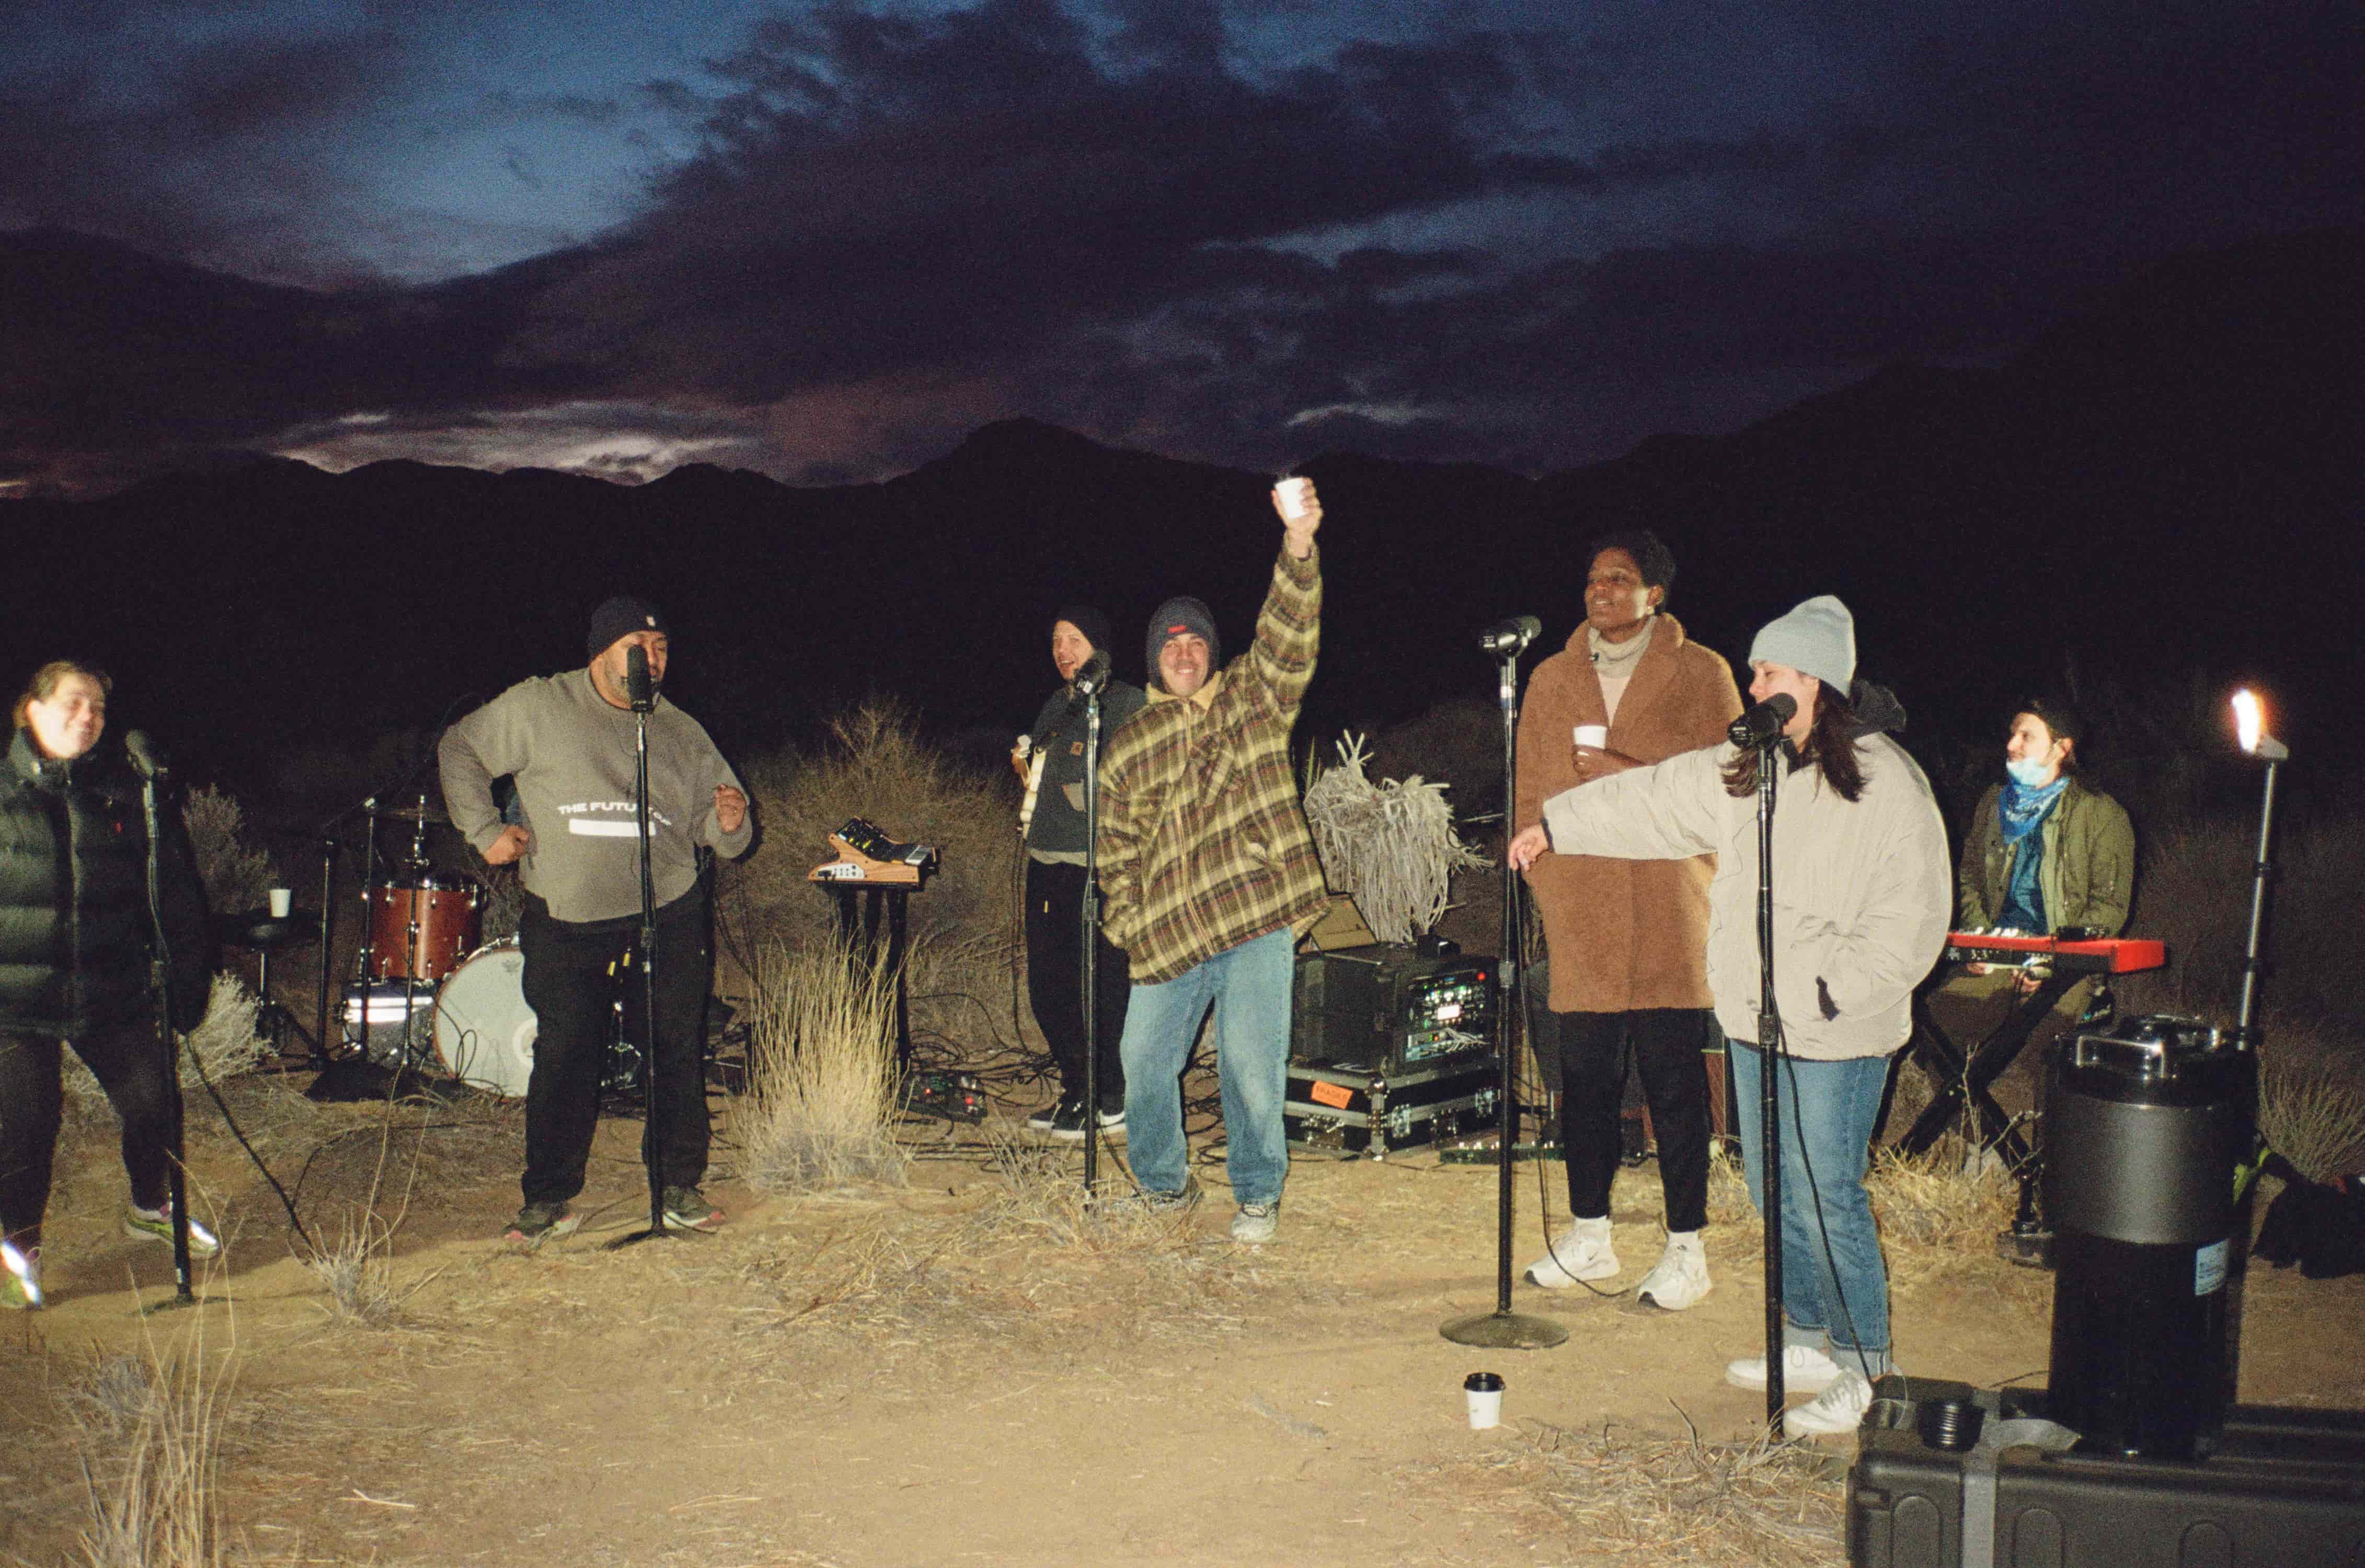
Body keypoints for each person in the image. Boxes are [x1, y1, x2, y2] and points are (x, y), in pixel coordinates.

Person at [1509, 596, 1951, 1436]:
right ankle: (1808, 1339)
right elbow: (1655, 798)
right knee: (1771, 1187)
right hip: (1757, 1022)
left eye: (1768, 672)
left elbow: (1916, 914)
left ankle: (1868, 1368)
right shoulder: (1754, 766)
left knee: (1826, 1196)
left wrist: (1832, 990)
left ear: (1813, 681)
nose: (1753, 686)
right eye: (1753, 672)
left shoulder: (1888, 781)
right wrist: (1555, 824)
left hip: (1835, 1031)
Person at [440, 597, 753, 1246]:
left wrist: (730, 821)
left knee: (674, 1048)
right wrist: (485, 829)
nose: (652, 659)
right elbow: (460, 748)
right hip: (569, 917)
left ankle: (677, 1187)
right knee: (566, 1053)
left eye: (661, 647)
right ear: (601, 652)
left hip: (667, 909)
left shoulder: (680, 731)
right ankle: (548, 1198)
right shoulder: (541, 705)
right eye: (637, 645)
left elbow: (725, 832)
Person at [1515, 531, 1741, 1309]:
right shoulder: (1550, 679)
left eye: (1619, 578)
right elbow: (1530, 794)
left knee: (1676, 1084)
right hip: (1583, 908)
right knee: (1584, 1082)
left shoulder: (1703, 673)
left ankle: (1687, 1249)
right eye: (1592, 578)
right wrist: (1547, 879)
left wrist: (1627, 774)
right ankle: (1591, 1234)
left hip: (1670, 906)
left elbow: (1730, 784)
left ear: (1655, 594)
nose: (1601, 589)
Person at [1097, 479, 1327, 1244]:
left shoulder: (1252, 699)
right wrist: (1131, 924)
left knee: (1251, 1067)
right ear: (1154, 660)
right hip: (1169, 932)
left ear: (1212, 654)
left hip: (1255, 916)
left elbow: (1288, 632)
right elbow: (1115, 854)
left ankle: (1257, 1194)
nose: (1185, 653)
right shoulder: (1128, 744)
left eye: (1196, 642)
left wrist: (1297, 544)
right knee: (1140, 1060)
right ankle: (1165, 1185)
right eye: (1171, 645)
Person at [2, 661, 214, 1309]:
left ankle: (150, 1206)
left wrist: (187, 981)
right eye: (74, 702)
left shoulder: (126, 793)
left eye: (97, 707)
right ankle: (17, 1248)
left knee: (154, 1103)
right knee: (26, 1126)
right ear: (32, 709)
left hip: (109, 990)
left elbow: (175, 893)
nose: (88, 717)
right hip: (15, 999)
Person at [1922, 697, 2136, 1131]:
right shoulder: (1994, 804)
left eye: (2027, 736)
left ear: (2061, 747)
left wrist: (2054, 961)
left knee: (2051, 1052)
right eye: (2013, 733)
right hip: (2000, 953)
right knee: (1937, 1027)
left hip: (2063, 964)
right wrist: (1980, 939)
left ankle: (2043, 1159)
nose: (2012, 744)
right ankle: (1973, 1143)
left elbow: (2110, 907)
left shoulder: (2100, 813)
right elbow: (1968, 877)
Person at [1014, 607, 1145, 1141]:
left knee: (1102, 987)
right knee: (1049, 988)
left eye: (1074, 639)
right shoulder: (1058, 704)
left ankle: (1111, 1095)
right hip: (1046, 863)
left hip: (1098, 869)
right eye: (1056, 641)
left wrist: (1085, 795)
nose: (1063, 651)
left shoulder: (1127, 704)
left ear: (1100, 647)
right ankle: (1077, 1088)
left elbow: (1136, 782)